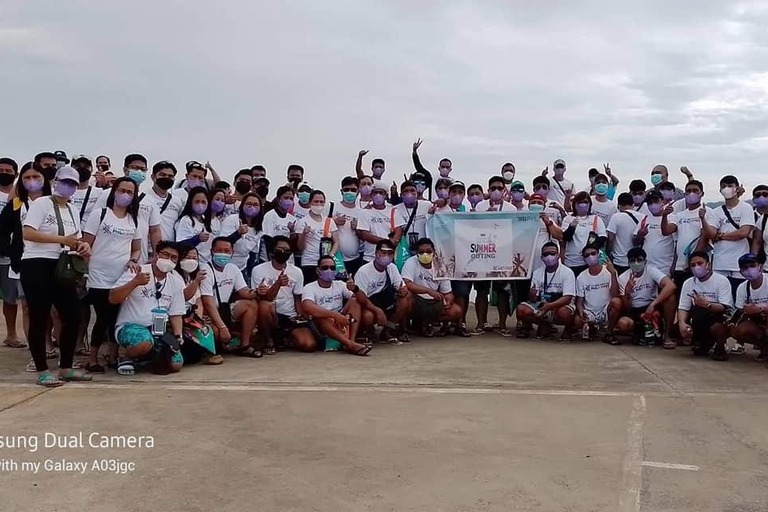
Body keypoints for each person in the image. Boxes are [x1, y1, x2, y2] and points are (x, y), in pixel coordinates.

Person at [21, 166, 92, 386]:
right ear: (55, 182)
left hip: (63, 264)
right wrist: (61, 240)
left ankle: (66, 367)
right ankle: (42, 369)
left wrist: (83, 246)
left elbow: (76, 238)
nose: (68, 187)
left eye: (73, 183)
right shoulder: (41, 203)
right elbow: (28, 232)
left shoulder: (72, 209)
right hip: (37, 262)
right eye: (65, 182)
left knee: (72, 315)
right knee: (39, 316)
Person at [81, 177, 142, 373]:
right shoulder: (100, 214)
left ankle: (113, 355)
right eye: (121, 190)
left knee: (117, 317)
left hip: (121, 278)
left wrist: (133, 260)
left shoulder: (134, 220)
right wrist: (83, 273)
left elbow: (136, 249)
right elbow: (86, 244)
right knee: (102, 318)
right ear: (114, 191)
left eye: (130, 192)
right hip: (99, 276)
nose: (125, 195)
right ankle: (93, 358)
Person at [110, 241, 186, 375]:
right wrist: (135, 282)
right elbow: (113, 298)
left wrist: (178, 336)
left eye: (174, 257)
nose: (169, 259)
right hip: (131, 326)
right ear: (156, 255)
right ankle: (125, 356)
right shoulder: (137, 271)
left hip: (159, 330)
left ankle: (147, 358)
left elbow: (176, 314)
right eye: (165, 255)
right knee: (143, 342)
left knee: (176, 365)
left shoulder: (176, 281)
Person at [0, 162, 51, 350]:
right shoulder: (16, 203)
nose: (32, 181)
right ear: (20, 181)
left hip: (51, 262)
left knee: (50, 309)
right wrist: (11, 251)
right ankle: (36, 350)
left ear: (44, 179)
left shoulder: (55, 201)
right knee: (28, 307)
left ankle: (49, 343)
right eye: (27, 178)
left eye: (36, 177)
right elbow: (2, 231)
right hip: (23, 263)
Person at [252, 236, 314, 354]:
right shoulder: (258, 270)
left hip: (289, 315)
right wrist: (278, 284)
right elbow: (265, 298)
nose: (283, 252)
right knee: (265, 305)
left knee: (309, 345)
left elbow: (297, 298)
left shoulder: (296, 272)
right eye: (280, 249)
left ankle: (284, 338)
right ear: (272, 252)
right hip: (270, 313)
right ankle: (268, 340)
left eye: (287, 250)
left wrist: (301, 316)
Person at [200, 237, 261, 357]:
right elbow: (207, 302)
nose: (223, 254)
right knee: (216, 332)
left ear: (232, 252)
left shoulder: (233, 268)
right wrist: (222, 327)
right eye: (219, 250)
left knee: (251, 304)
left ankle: (245, 345)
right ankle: (215, 348)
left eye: (227, 251)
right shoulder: (205, 270)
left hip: (225, 310)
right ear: (212, 251)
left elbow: (244, 291)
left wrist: (257, 291)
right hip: (208, 313)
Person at [95, 154, 161, 263]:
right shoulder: (107, 194)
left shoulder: (150, 201)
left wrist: (157, 253)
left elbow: (155, 231)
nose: (139, 171)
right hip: (106, 259)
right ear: (125, 170)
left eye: (142, 169)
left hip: (137, 260)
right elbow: (95, 223)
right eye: (135, 168)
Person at [301, 255, 371, 355]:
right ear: (318, 271)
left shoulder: (340, 284)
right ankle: (349, 344)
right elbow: (307, 306)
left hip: (340, 320)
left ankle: (352, 341)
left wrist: (355, 289)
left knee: (355, 301)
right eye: (325, 268)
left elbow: (363, 300)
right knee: (322, 317)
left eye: (332, 268)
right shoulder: (310, 287)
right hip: (322, 324)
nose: (329, 270)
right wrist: (333, 314)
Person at [702, 175, 754, 302]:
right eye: (724, 186)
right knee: (722, 300)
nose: (727, 189)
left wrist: (721, 235)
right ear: (720, 190)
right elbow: (711, 234)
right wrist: (703, 219)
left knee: (739, 297)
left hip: (739, 264)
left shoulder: (746, 208)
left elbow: (743, 232)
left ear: (737, 188)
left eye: (730, 186)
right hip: (720, 263)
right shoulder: (716, 212)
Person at [349, 240, 413, 343]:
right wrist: (376, 311)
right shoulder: (364, 271)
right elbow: (361, 298)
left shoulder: (392, 268)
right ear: (376, 253)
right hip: (368, 304)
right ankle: (366, 331)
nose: (386, 256)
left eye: (390, 253)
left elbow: (401, 287)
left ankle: (387, 330)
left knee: (406, 299)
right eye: (383, 252)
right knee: (368, 317)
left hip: (386, 303)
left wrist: (403, 291)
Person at [615, 248, 677, 348]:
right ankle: (637, 333)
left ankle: (667, 336)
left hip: (651, 306)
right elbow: (627, 308)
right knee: (623, 324)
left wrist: (653, 304)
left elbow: (671, 286)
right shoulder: (623, 277)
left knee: (670, 298)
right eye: (632, 261)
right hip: (635, 310)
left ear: (645, 261)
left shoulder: (651, 270)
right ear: (628, 263)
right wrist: (627, 293)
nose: (636, 263)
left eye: (639, 260)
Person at [677, 251, 733, 361]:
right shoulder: (688, 283)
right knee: (676, 329)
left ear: (709, 264)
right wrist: (682, 323)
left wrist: (707, 304)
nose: (696, 267)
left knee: (718, 326)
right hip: (697, 317)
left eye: (700, 263)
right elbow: (683, 307)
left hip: (717, 316)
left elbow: (725, 307)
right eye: (693, 265)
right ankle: (702, 343)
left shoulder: (721, 281)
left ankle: (720, 346)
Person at [401, 238, 462, 336]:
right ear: (417, 253)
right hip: (416, 300)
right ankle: (404, 329)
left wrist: (448, 301)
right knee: (405, 296)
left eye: (428, 251)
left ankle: (426, 323)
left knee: (456, 311)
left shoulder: (440, 266)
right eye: (421, 252)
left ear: (434, 252)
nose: (425, 254)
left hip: (433, 302)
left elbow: (448, 292)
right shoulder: (410, 262)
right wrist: (428, 291)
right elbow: (407, 283)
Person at [515, 242, 577, 339]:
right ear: (542, 257)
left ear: (558, 255)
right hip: (543, 303)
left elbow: (568, 298)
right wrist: (532, 295)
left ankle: (568, 329)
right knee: (521, 309)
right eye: (546, 254)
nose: (549, 256)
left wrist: (549, 306)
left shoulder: (567, 272)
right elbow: (533, 299)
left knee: (564, 312)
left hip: (560, 304)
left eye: (552, 253)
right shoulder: (537, 273)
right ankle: (545, 326)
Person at [662, 180, 708, 298]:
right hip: (680, 266)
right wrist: (664, 216)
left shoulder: (707, 213)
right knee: (681, 299)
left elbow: (705, 236)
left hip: (697, 266)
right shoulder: (680, 215)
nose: (691, 193)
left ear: (701, 193)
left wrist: (694, 259)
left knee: (697, 298)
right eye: (688, 191)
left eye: (695, 191)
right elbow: (666, 231)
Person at [545, 191, 607, 276]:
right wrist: (572, 227)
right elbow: (565, 238)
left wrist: (589, 249)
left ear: (589, 204)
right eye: (580, 202)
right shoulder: (568, 218)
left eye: (585, 202)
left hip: (590, 261)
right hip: (571, 262)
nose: (583, 205)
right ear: (575, 204)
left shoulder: (595, 219)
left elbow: (603, 238)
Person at [574, 245, 621, 342]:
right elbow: (579, 301)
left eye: (593, 253)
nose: (590, 257)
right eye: (587, 255)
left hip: (605, 310)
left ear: (598, 254)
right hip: (590, 312)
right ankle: (591, 328)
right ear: (584, 259)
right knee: (577, 321)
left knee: (617, 302)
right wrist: (581, 311)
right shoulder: (581, 277)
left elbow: (615, 295)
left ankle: (609, 332)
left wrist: (613, 274)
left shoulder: (609, 271)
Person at [730, 253, 768, 363]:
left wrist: (760, 309)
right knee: (737, 331)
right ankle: (764, 349)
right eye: (745, 267)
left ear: (760, 267)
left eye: (752, 265)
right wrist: (732, 322)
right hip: (759, 321)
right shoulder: (742, 288)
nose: (749, 269)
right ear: (741, 272)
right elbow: (740, 310)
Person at [296, 190, 340, 284]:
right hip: (309, 262)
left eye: (321, 202)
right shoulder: (302, 222)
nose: (318, 204)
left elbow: (336, 242)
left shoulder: (329, 221)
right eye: (316, 201)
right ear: (310, 202)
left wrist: (330, 256)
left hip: (326, 264)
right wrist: (304, 234)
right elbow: (300, 247)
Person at [0, 157, 21, 347]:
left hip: (8, 255)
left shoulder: (17, 199)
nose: (4, 173)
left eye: (9, 170)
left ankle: (12, 334)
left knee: (10, 298)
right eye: (1, 170)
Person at [220, 192, 265, 279]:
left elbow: (253, 253)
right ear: (242, 205)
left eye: (255, 205)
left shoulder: (259, 228)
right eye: (248, 204)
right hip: (225, 266)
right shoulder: (232, 219)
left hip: (241, 269)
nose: (252, 207)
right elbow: (222, 244)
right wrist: (238, 233)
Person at [357, 181, 403, 262]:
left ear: (385, 195)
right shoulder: (365, 212)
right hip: (370, 257)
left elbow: (398, 230)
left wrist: (393, 242)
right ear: (371, 195)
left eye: (381, 192)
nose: (378, 195)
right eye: (375, 193)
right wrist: (386, 242)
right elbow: (365, 235)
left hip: (389, 256)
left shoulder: (393, 211)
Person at [632, 190, 675, 275]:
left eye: (656, 201)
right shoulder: (644, 219)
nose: (653, 205)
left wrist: (665, 216)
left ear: (662, 201)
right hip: (647, 267)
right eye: (649, 203)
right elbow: (635, 242)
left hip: (665, 267)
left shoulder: (672, 218)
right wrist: (640, 235)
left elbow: (666, 231)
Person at [607, 193, 646, 275]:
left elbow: (610, 238)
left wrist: (608, 254)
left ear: (619, 205)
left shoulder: (616, 217)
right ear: (633, 204)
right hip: (638, 260)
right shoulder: (643, 217)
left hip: (620, 261)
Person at [146, 161, 185, 242]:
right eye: (162, 175)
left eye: (170, 176)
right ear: (153, 177)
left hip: (170, 249)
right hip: (147, 249)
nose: (166, 178)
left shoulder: (177, 201)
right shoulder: (144, 198)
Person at [334, 176, 365, 276]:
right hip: (336, 258)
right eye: (346, 189)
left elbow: (363, 236)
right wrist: (333, 221)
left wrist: (358, 229)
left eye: (353, 190)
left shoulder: (362, 212)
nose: (349, 192)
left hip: (355, 259)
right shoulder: (333, 207)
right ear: (341, 191)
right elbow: (322, 226)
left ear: (358, 192)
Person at [175, 187, 214, 264]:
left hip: (206, 263)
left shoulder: (207, 222)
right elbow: (181, 244)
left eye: (203, 202)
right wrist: (197, 239)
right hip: (191, 263)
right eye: (197, 201)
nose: (200, 204)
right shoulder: (186, 220)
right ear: (190, 203)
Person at [394, 180, 431, 255]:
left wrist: (443, 201)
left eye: (412, 190)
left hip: (423, 251)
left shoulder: (427, 205)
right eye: (406, 191)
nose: (409, 193)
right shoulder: (395, 209)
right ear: (401, 194)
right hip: (404, 251)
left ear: (417, 193)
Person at [262, 185, 297, 255]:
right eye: (286, 198)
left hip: (287, 257)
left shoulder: (293, 219)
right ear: (278, 200)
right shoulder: (270, 216)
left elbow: (293, 242)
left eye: (291, 199)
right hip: (272, 256)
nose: (289, 201)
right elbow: (267, 239)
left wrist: (292, 231)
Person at [70, 155, 102, 225]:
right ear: (71, 169)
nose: (82, 168)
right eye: (77, 166)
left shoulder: (100, 193)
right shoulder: (62, 192)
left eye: (86, 166)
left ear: (92, 170)